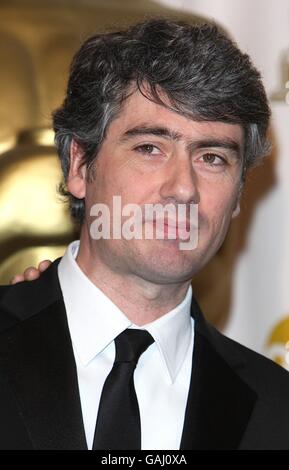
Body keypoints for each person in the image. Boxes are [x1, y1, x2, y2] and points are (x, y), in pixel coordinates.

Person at [2, 17, 289, 451]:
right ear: (79, 165)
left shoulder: (277, 409)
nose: (183, 188)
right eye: (150, 148)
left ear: (236, 198)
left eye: (212, 158)